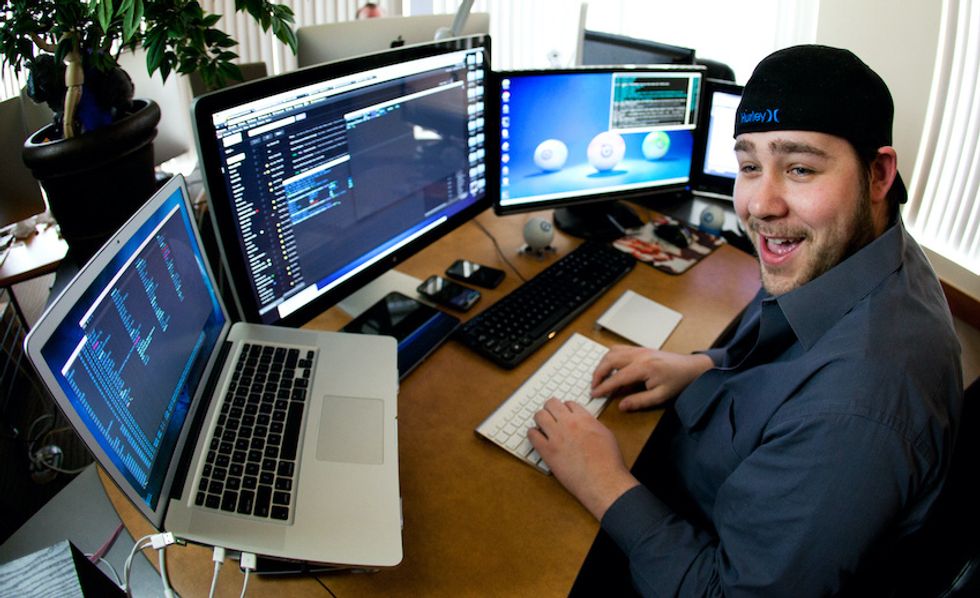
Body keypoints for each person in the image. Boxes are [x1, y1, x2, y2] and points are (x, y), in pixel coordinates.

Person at [529, 45, 963, 596]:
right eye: (750, 166)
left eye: (800, 168)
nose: (759, 205)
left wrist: (603, 482)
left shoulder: (857, 407)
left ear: (878, 174)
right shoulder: (858, 253)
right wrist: (700, 365)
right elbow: (780, 349)